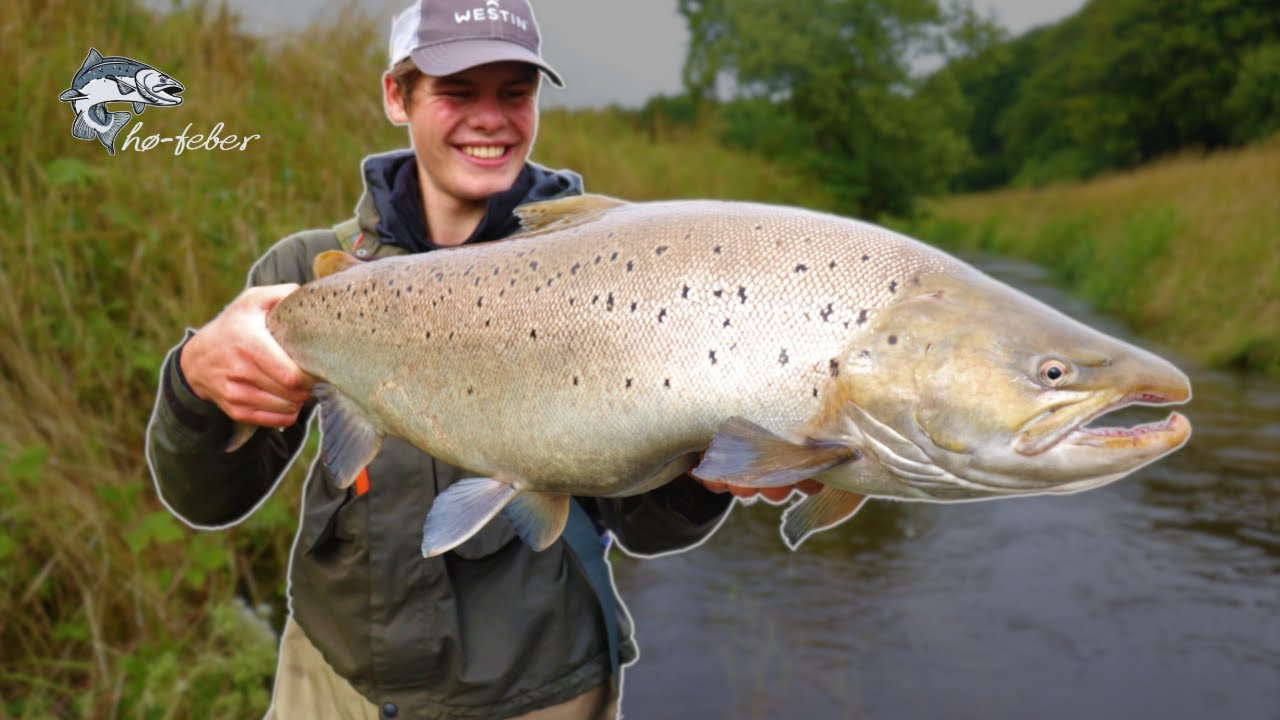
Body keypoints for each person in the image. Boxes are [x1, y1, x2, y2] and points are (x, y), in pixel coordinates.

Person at [141, 1, 754, 718]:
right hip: (334, 685)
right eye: (458, 92)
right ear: (396, 96)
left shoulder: (622, 270)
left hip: (543, 690)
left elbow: (648, 529)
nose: (490, 118)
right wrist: (195, 385)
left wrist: (706, 477)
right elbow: (207, 501)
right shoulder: (309, 275)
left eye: (514, 93)